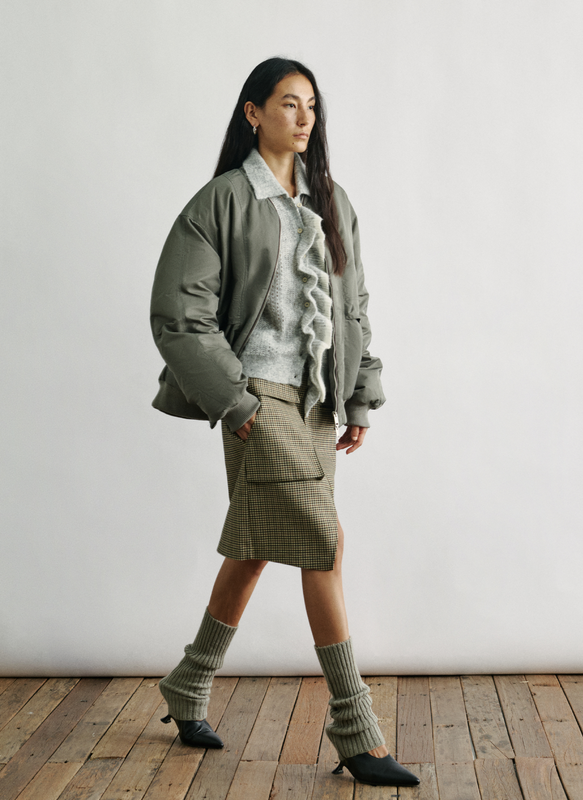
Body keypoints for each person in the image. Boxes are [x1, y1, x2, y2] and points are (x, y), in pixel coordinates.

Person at [149, 57, 419, 788]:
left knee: (260, 546)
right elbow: (178, 315)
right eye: (289, 103)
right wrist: (234, 403)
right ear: (253, 113)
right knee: (324, 546)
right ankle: (355, 728)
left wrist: (357, 397)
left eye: (312, 106)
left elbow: (353, 307)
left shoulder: (332, 200)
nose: (304, 118)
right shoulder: (221, 201)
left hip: (315, 399)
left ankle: (188, 682)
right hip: (256, 395)